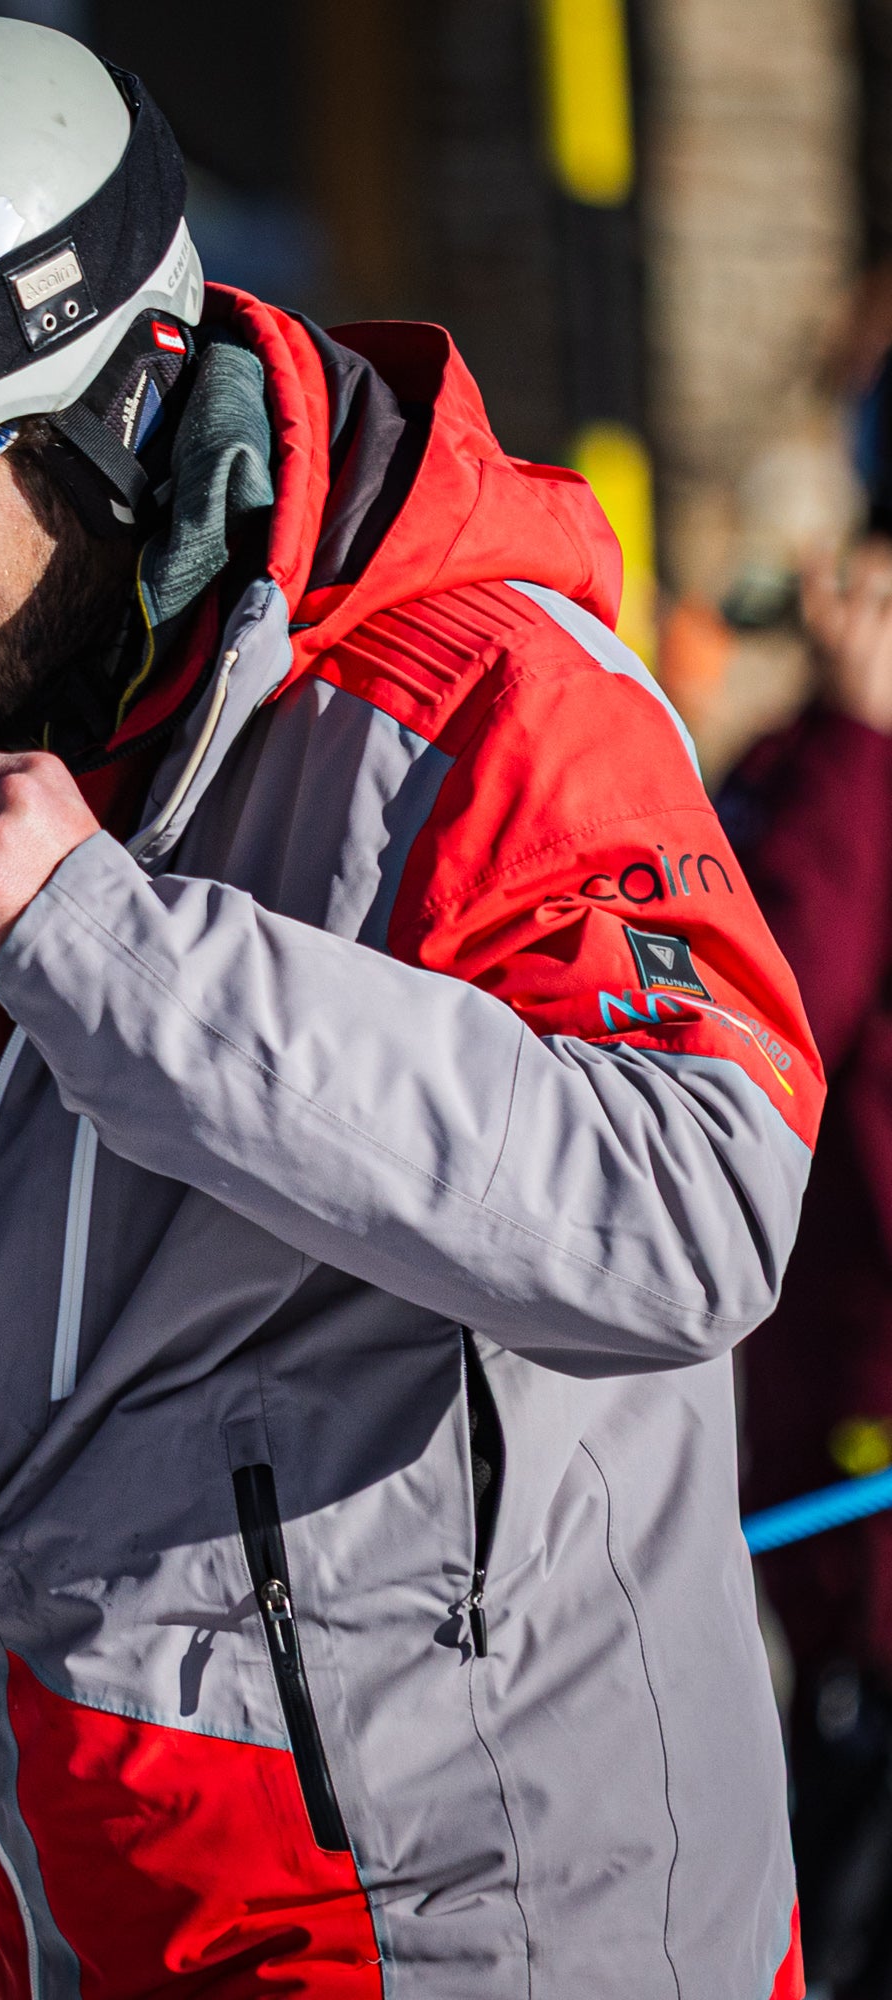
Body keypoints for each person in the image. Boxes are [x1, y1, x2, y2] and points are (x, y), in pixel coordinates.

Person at [0, 19, 818, 1996]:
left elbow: (690, 1209)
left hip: (477, 1935)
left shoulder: (483, 696)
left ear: (117, 409)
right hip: (82, 1909)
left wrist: (111, 944)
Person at [722, 538, 892, 1998]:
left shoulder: (848, 770)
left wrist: (857, 738)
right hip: (819, 1418)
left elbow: (783, 1028)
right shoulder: (807, 767)